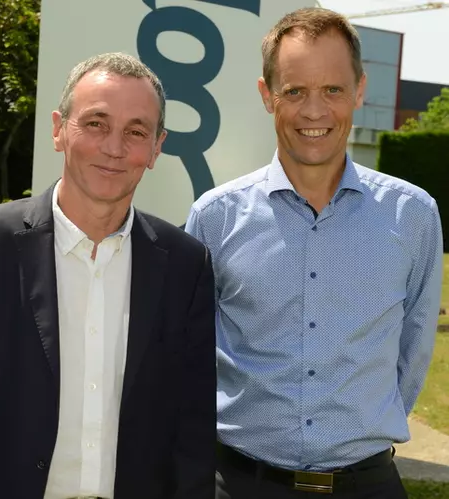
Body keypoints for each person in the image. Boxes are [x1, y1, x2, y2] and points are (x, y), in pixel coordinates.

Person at [0, 52, 217, 499]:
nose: (114, 147)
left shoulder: (185, 264)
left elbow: (192, 432)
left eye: (136, 132)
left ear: (157, 148)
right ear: (59, 129)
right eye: (96, 123)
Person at [184, 7, 443, 499]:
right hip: (240, 485)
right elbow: (190, 355)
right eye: (295, 90)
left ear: (360, 90)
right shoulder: (215, 218)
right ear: (267, 95)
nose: (314, 111)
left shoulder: (413, 215)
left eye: (333, 90)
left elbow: (414, 350)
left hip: (368, 486)